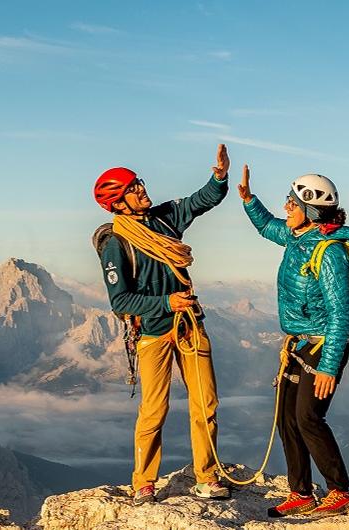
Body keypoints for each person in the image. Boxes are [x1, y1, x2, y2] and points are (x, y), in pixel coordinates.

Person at [91, 144, 232, 503]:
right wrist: (167, 301)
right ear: (118, 203)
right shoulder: (116, 245)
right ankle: (144, 481)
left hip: (189, 324)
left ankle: (207, 476)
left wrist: (218, 177)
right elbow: (120, 302)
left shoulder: (164, 218)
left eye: (138, 183)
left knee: (206, 403)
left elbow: (199, 201)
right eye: (132, 188)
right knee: (154, 409)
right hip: (153, 331)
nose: (141, 189)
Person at [237, 166, 349, 517]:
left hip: (324, 345)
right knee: (287, 418)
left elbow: (342, 315)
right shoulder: (297, 238)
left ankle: (340, 492)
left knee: (308, 417)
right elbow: (266, 226)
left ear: (309, 210)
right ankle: (301, 493)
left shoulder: (330, 253)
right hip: (298, 343)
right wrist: (248, 198)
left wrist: (328, 367)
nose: (286, 207)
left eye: (291, 202)